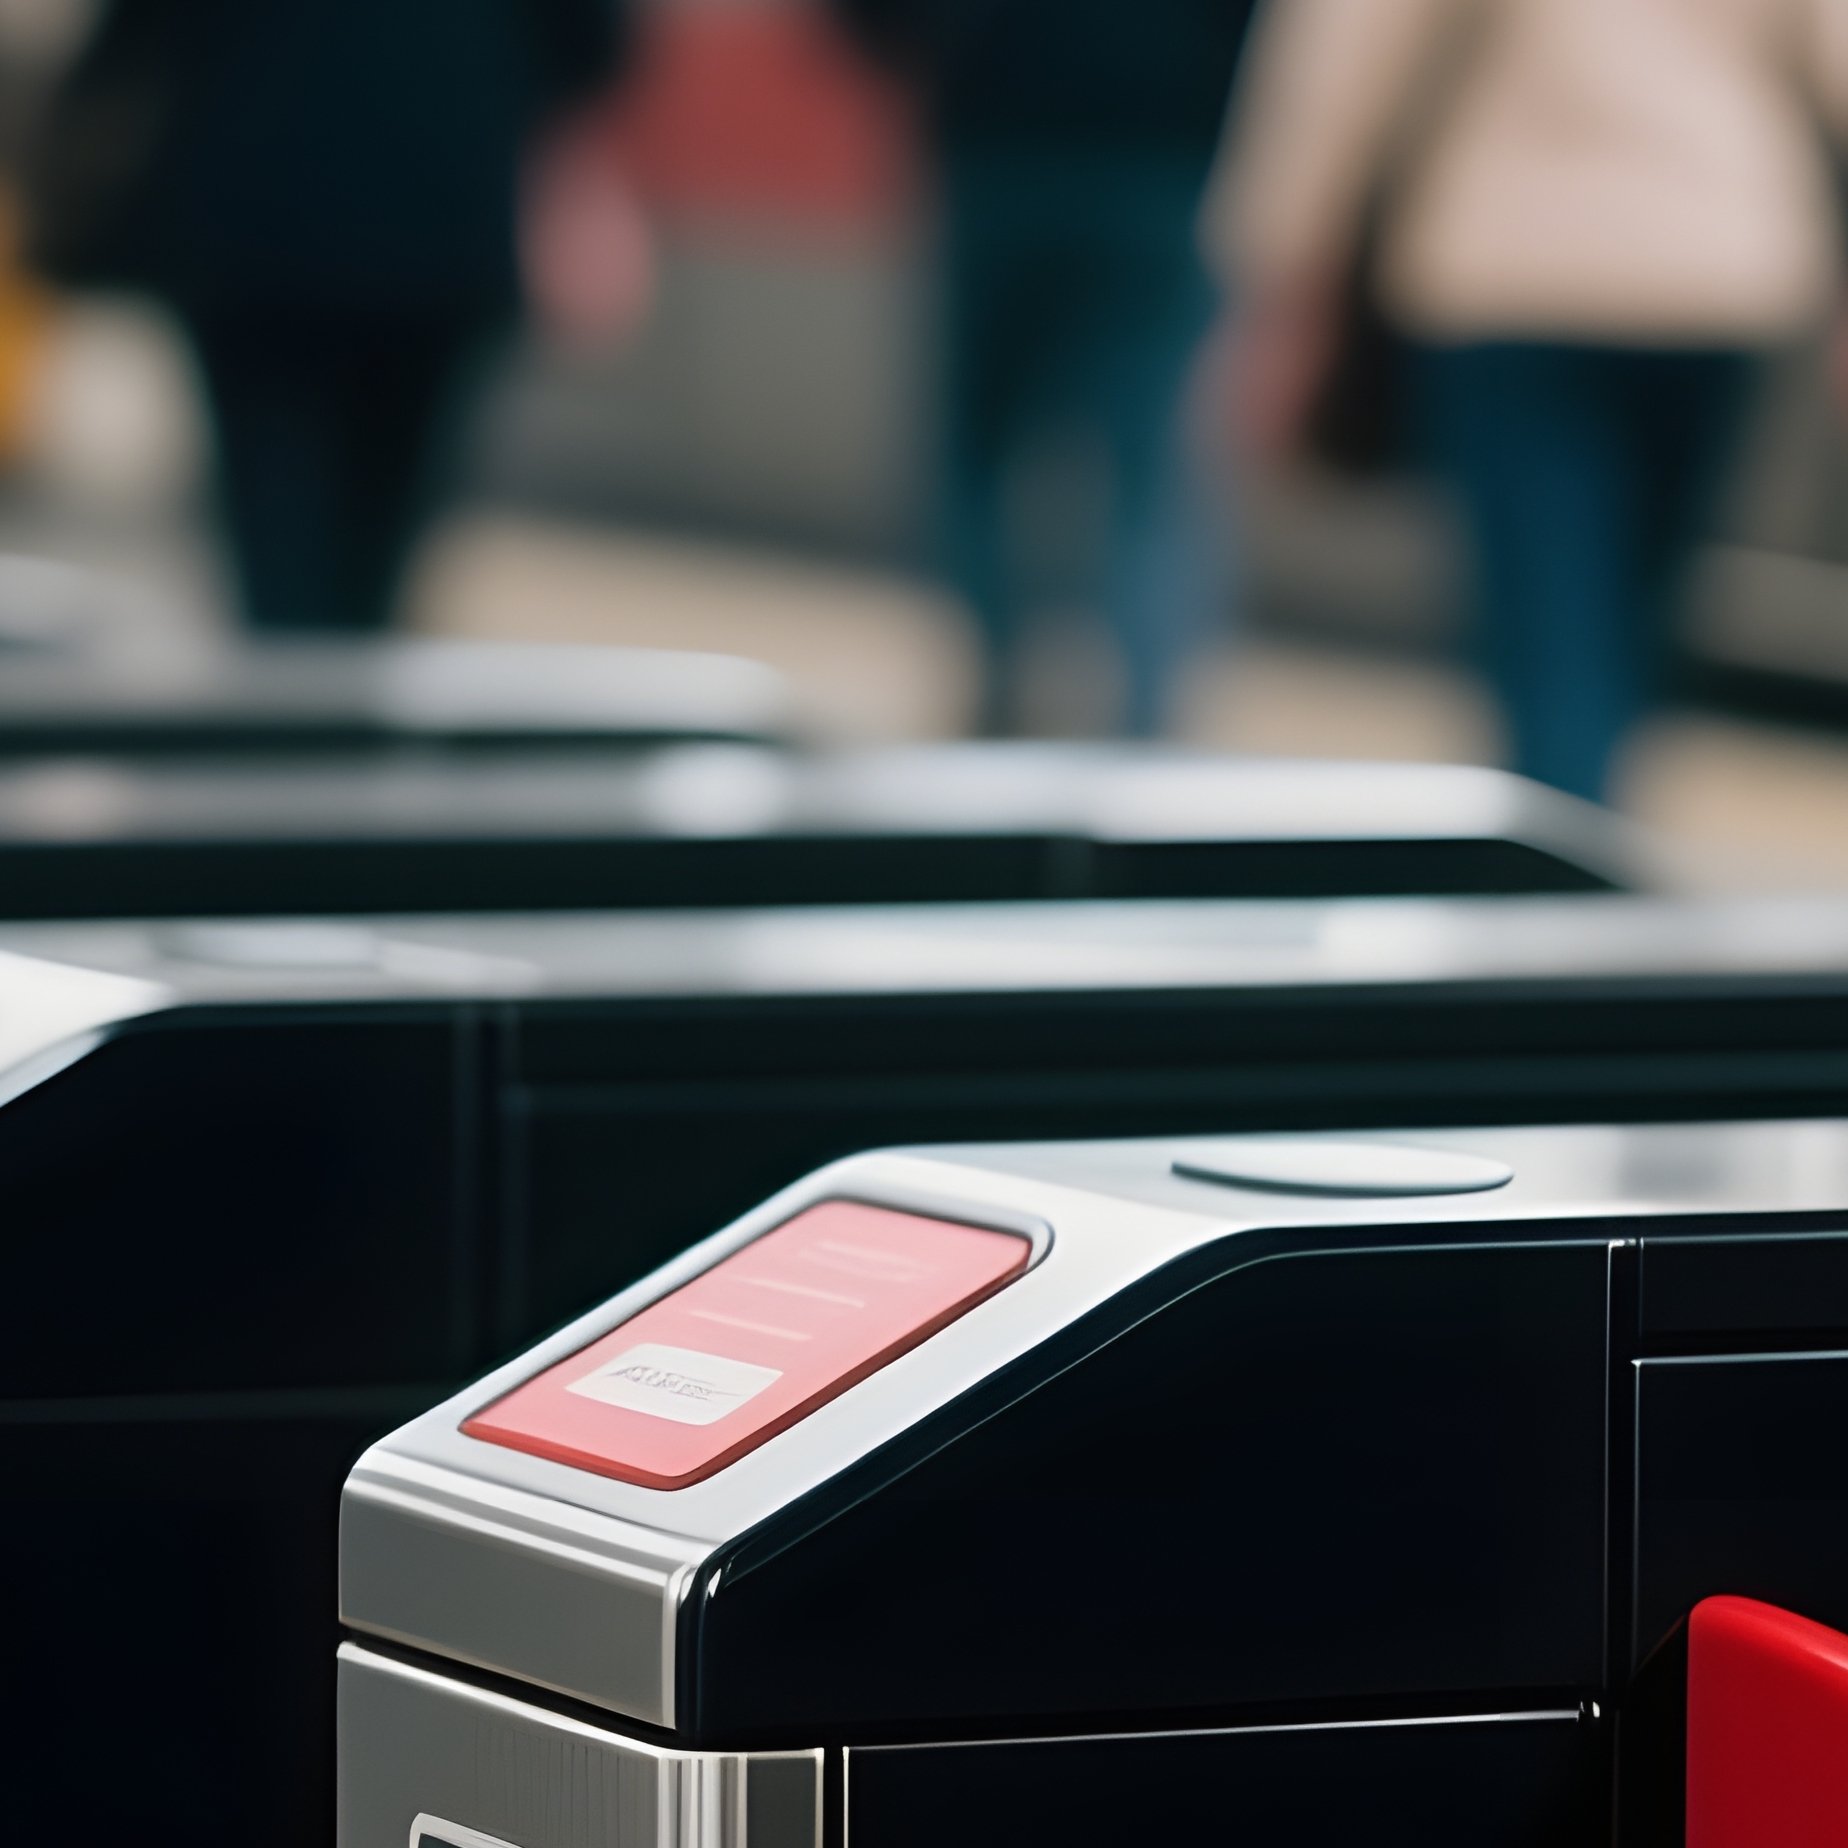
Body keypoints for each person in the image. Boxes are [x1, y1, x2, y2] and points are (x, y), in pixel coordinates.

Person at [1207, 0, 1848, 803]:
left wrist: (1284, 272)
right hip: (1716, 269)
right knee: (1625, 629)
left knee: (1551, 639)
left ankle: (1559, 863)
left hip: (1521, 262)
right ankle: (1589, 846)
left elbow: (1346, 54)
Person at [27, 0, 628, 632]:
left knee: (275, 543)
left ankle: (295, 695)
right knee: (382, 538)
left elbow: (140, 30)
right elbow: (590, 44)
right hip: (440, 211)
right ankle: (355, 686)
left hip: (256, 220)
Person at [833, 0, 1253, 738]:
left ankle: (995, 698)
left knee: (979, 451)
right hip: (1169, 150)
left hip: (1000, 135)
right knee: (1149, 474)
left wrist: (920, 53)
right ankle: (1148, 728)